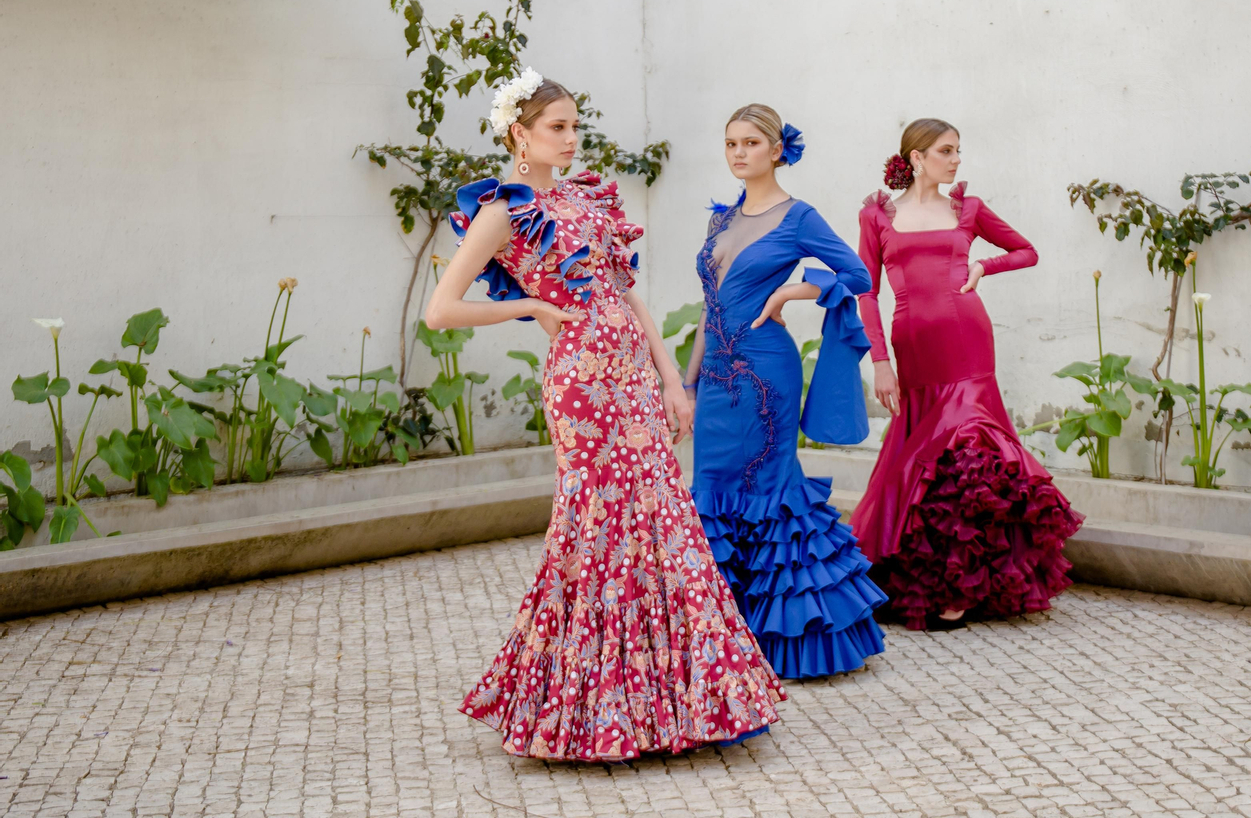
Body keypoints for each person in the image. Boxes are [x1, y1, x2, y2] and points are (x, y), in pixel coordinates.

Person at [429, 68, 784, 762]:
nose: (570, 139)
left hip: (635, 382)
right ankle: (594, 709)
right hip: (582, 388)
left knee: (663, 521)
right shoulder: (503, 211)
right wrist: (531, 305)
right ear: (519, 134)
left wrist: (672, 381)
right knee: (597, 529)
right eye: (556, 127)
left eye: (574, 126)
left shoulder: (582, 198)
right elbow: (441, 309)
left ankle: (683, 701)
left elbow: (628, 295)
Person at [852, 118, 1084, 631]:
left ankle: (960, 587)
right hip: (914, 348)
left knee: (970, 446)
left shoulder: (968, 209)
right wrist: (880, 361)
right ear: (916, 158)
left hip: (968, 343)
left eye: (958, 150)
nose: (956, 160)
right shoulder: (877, 216)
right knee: (923, 456)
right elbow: (865, 290)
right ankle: (929, 576)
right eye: (946, 150)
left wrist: (983, 268)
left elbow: (1026, 251)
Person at [682, 105, 887, 679]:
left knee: (768, 490)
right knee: (712, 490)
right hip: (716, 377)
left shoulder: (799, 217)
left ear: (776, 150)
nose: (738, 153)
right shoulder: (720, 221)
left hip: (766, 372)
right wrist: (688, 384)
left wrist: (791, 292)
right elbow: (708, 310)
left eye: (751, 143)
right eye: (731, 143)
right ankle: (721, 635)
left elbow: (858, 275)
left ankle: (790, 638)